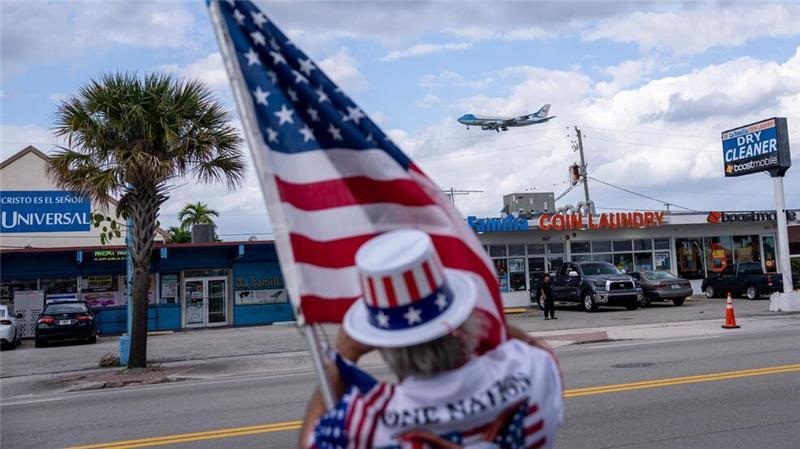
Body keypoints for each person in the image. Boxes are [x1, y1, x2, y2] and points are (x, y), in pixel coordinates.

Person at [300, 229, 563, 449]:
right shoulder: (530, 371)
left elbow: (310, 442)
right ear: (462, 319)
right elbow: (540, 350)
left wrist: (343, 357)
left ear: (382, 344)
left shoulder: (365, 422)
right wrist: (472, 317)